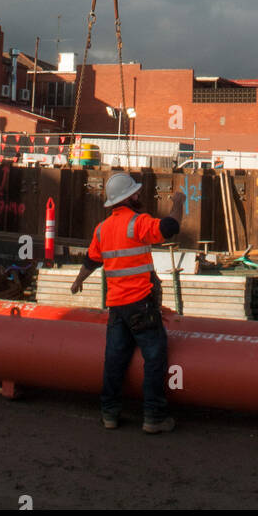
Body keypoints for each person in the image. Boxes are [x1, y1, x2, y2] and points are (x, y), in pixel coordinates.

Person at [70, 172, 184, 432]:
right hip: (141, 303)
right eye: (136, 193)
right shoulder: (138, 223)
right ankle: (154, 417)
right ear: (129, 197)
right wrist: (178, 203)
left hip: (117, 306)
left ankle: (109, 414)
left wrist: (78, 281)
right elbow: (170, 228)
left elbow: (91, 260)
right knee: (155, 356)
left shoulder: (102, 229)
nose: (139, 195)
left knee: (114, 359)